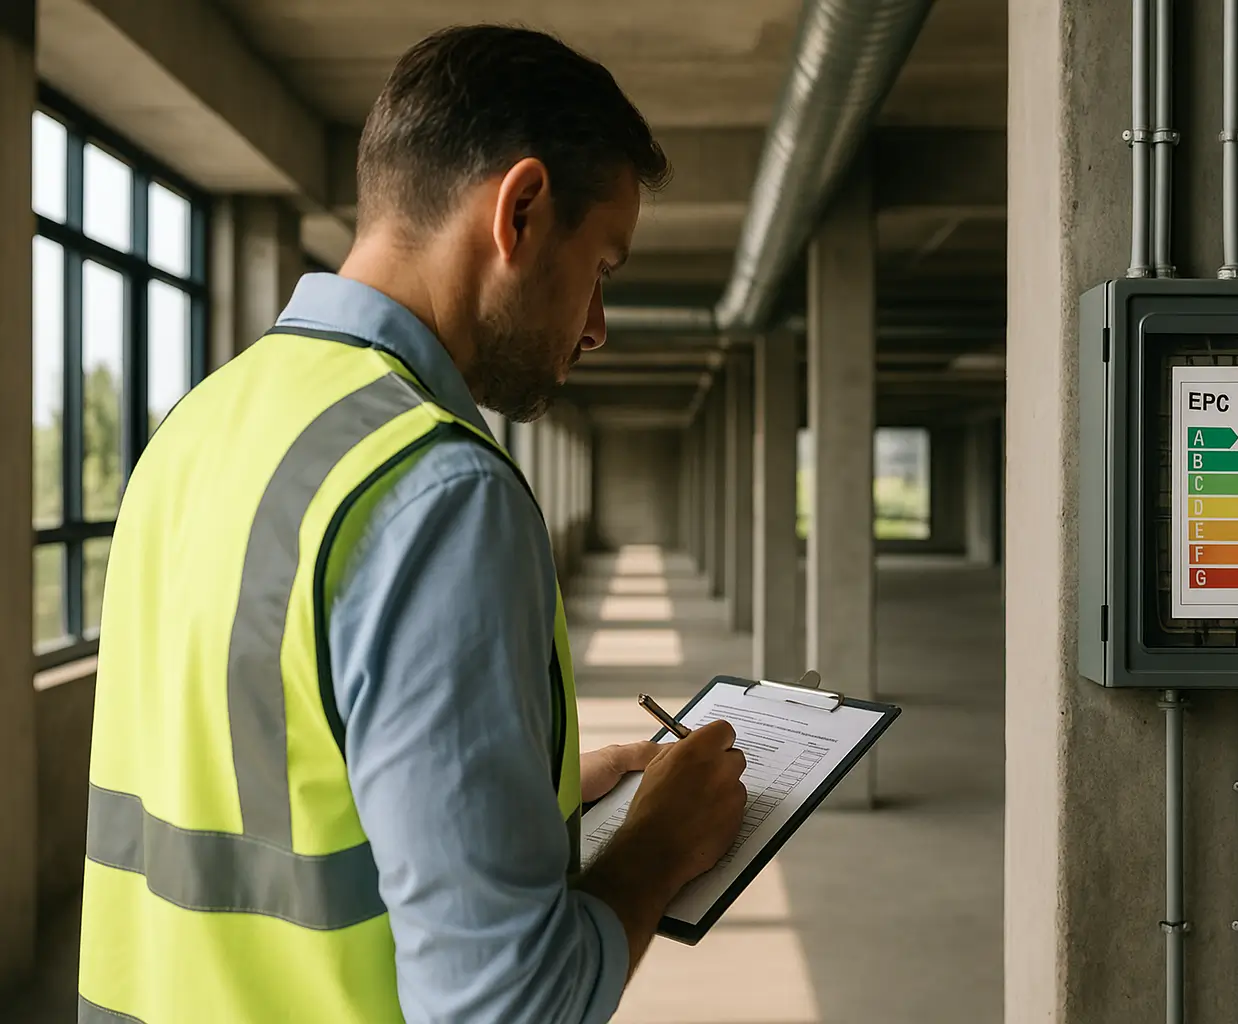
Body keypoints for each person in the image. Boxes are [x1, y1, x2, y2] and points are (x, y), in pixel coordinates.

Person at [77, 24, 748, 1024]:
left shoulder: (198, 426)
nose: (597, 326)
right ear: (521, 211)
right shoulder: (436, 490)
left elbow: (267, 766)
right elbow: (505, 1003)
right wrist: (659, 844)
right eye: (602, 268)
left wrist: (525, 800)